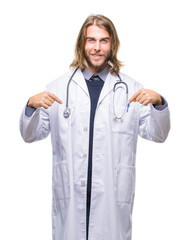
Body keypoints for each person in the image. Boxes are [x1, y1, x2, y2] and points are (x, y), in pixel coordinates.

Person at [20, 14, 170, 240]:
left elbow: (158, 134)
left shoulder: (131, 89)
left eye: (104, 41)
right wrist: (30, 106)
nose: (97, 48)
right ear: (82, 44)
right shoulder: (58, 89)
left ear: (112, 45)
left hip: (112, 198)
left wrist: (159, 103)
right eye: (91, 40)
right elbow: (30, 135)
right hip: (71, 197)